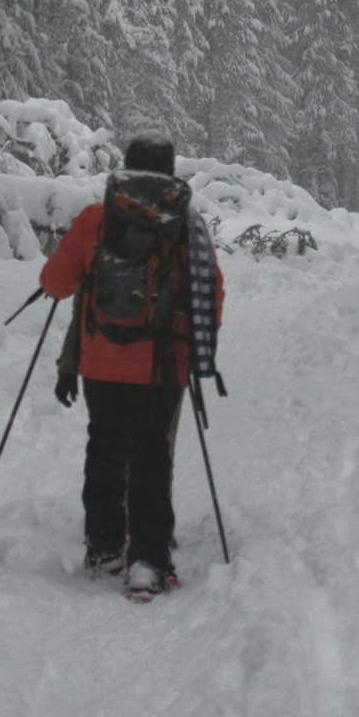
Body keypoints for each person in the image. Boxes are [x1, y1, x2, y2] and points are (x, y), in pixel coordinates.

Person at [40, 133, 224, 598]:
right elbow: (210, 296)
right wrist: (195, 355)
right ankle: (148, 562)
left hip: (101, 363)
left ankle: (104, 548)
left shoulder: (95, 220)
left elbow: (55, 283)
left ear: (125, 167)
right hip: (161, 368)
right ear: (170, 171)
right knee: (150, 460)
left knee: (103, 452)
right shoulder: (185, 224)